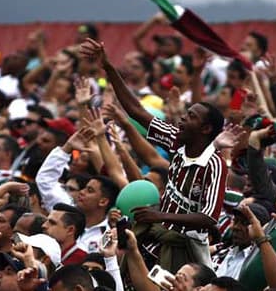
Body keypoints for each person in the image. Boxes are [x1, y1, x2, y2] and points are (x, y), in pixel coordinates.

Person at [79, 38, 227, 272]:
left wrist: (160, 215)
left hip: (184, 251)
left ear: (206, 129)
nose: (182, 119)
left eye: (191, 117)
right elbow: (136, 110)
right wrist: (107, 67)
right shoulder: (177, 141)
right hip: (154, 238)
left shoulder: (214, 164)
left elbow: (208, 218)